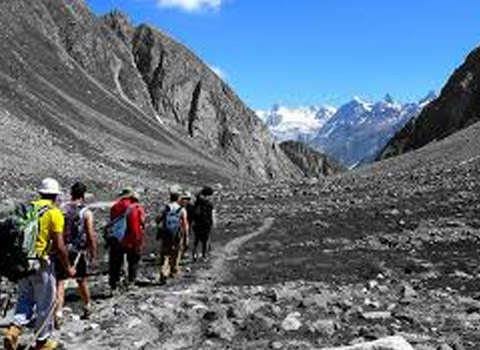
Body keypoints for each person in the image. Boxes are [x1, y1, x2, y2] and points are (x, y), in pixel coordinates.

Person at [3, 178, 75, 350]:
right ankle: (42, 342)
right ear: (55, 195)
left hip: (22, 262)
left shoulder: (29, 208)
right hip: (42, 263)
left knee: (25, 300)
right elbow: (59, 245)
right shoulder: (54, 213)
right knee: (46, 303)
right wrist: (68, 267)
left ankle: (14, 330)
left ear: (40, 193)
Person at [54, 182, 98, 326]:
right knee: (81, 279)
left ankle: (58, 313)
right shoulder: (86, 212)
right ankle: (87, 306)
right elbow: (91, 235)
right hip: (77, 251)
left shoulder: (61, 209)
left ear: (72, 193)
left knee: (60, 281)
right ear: (83, 195)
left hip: (61, 249)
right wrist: (93, 251)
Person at [108, 187, 145, 294]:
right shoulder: (135, 207)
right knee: (133, 261)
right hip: (130, 239)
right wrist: (137, 240)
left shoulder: (115, 206)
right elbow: (135, 225)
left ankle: (114, 286)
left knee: (115, 263)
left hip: (116, 239)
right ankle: (131, 282)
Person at [157, 187, 189, 284]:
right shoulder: (182, 209)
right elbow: (185, 224)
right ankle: (173, 270)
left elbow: (158, 219)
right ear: (178, 198)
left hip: (166, 234)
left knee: (165, 254)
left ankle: (163, 272)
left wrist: (160, 230)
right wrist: (186, 236)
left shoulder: (165, 208)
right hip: (177, 234)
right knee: (176, 252)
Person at [192, 186, 215, 262]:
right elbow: (211, 214)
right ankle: (203, 255)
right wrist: (213, 223)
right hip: (206, 224)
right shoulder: (209, 203)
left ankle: (194, 254)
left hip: (197, 223)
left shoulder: (197, 201)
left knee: (197, 239)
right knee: (205, 240)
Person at [178, 191, 194, 261]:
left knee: (186, 240)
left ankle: (182, 253)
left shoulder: (190, 207)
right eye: (184, 199)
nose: (185, 200)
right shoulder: (179, 207)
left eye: (187, 199)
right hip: (180, 225)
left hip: (187, 224)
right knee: (181, 240)